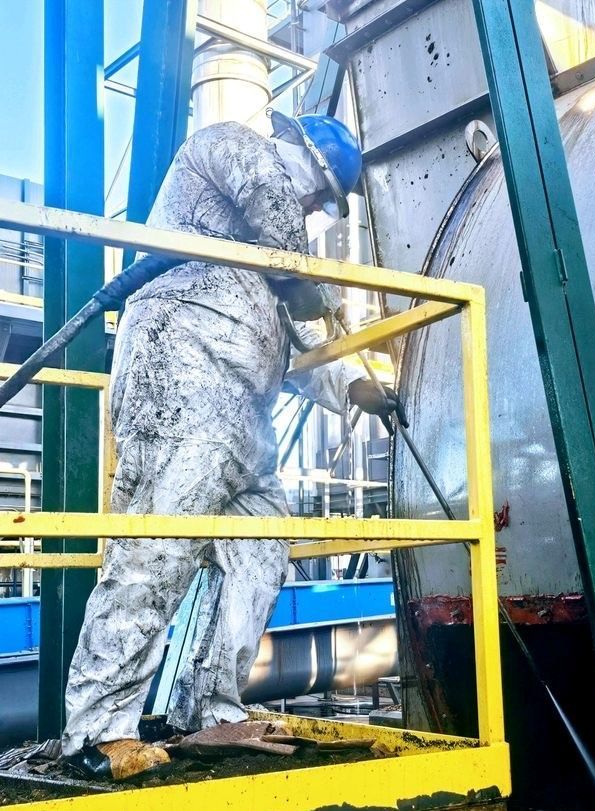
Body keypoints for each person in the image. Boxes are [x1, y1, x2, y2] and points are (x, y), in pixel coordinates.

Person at [61, 112, 406, 780]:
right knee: (156, 551)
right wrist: (302, 274)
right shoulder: (229, 148)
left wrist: (357, 390)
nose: (313, 206)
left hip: (246, 414)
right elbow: (272, 209)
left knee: (261, 542)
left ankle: (209, 705)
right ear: (303, 156)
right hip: (182, 379)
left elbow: (303, 343)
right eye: (321, 193)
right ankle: (97, 730)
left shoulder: (274, 266)